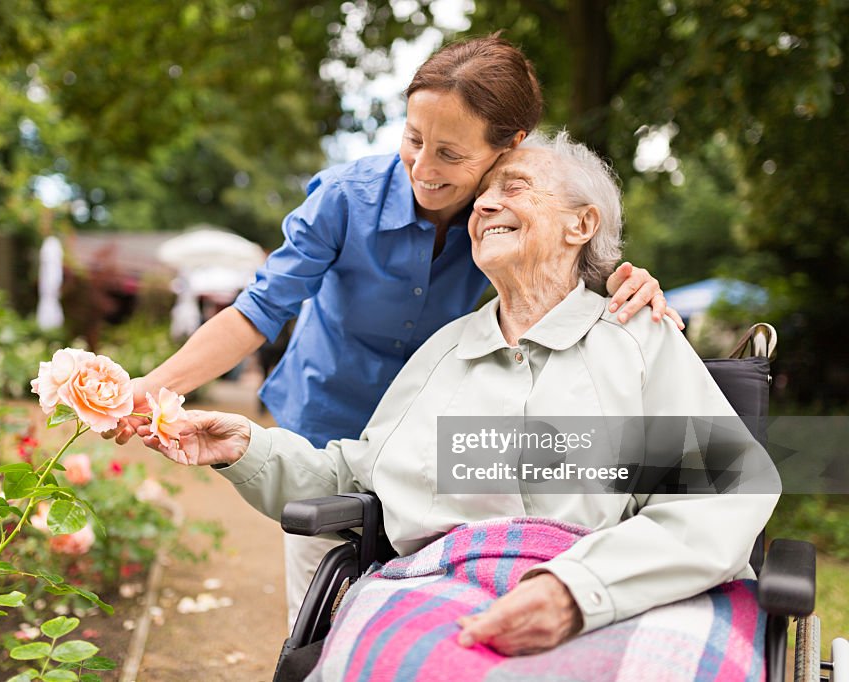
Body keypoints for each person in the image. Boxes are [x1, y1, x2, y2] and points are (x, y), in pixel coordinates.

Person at [137, 131, 780, 679]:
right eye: (482, 196)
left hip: (622, 585)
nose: (486, 206)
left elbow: (723, 494)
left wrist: (578, 589)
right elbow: (359, 479)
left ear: (581, 225)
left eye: (517, 187)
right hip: (442, 587)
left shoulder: (636, 339)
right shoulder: (446, 350)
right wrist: (246, 447)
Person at [111, 34, 680, 628]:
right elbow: (259, 310)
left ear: (508, 149)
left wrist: (620, 276)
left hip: (433, 450)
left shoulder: (501, 216)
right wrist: (151, 386)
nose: (424, 169)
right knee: (322, 617)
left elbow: (560, 252)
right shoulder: (344, 199)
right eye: (413, 140)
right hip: (327, 424)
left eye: (451, 155)